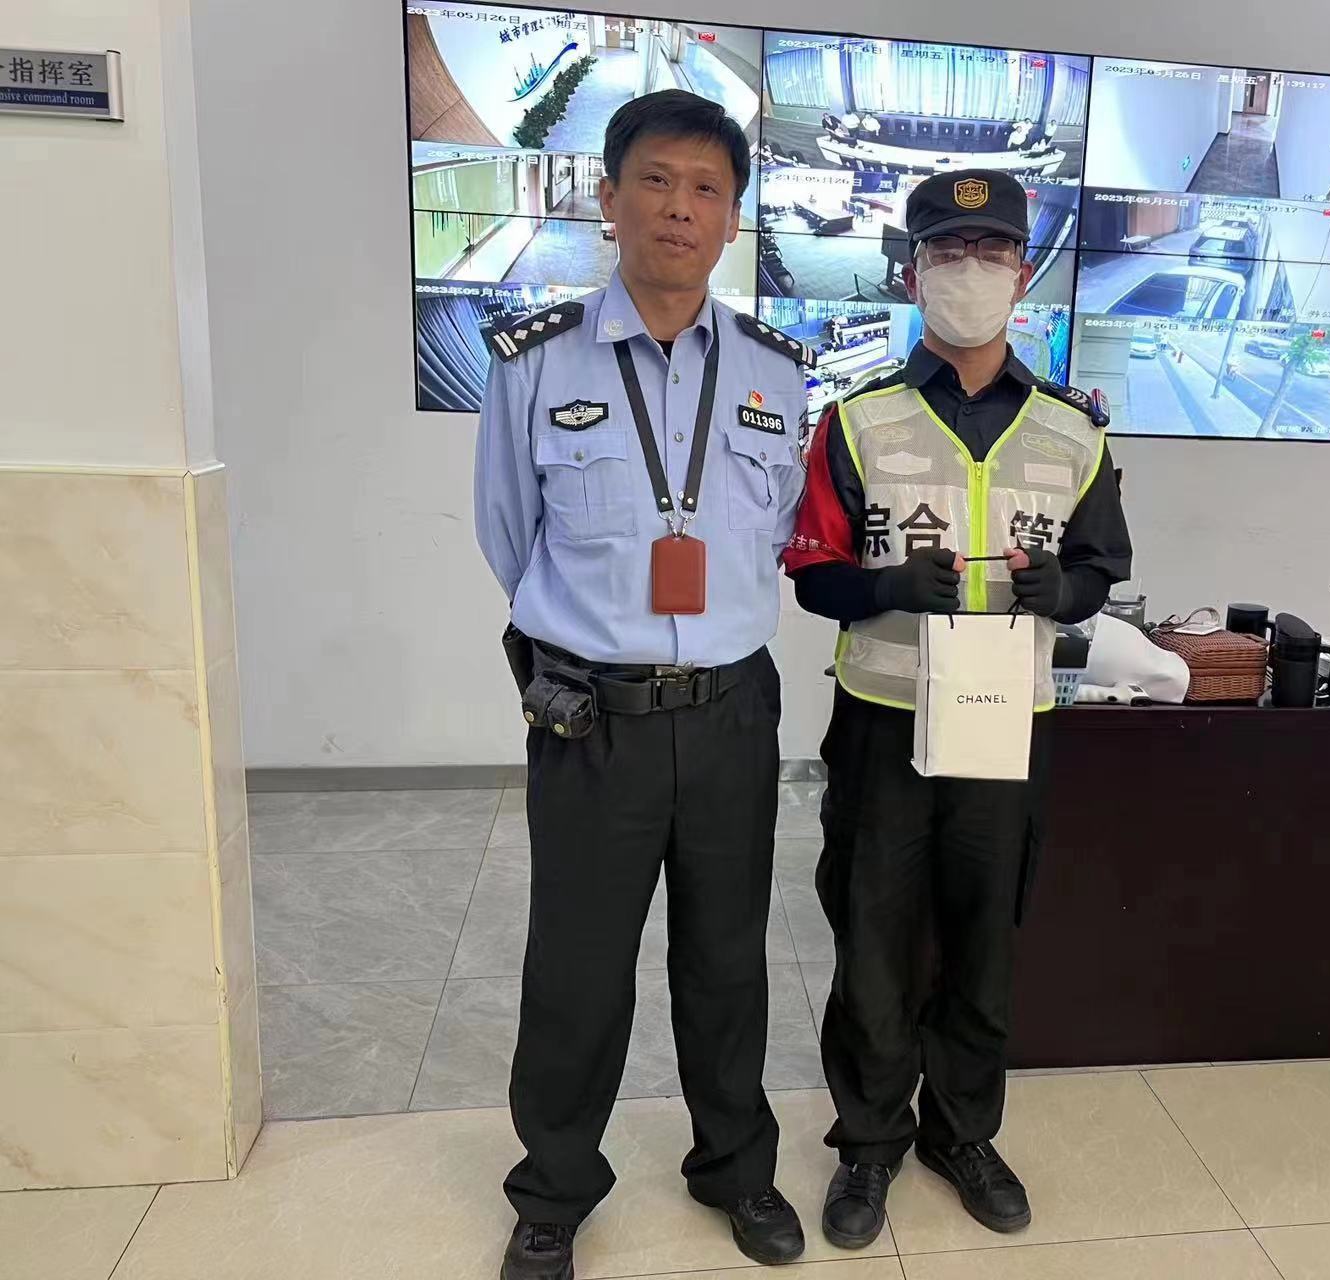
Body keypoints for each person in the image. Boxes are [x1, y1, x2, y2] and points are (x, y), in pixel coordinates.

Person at [475, 89, 817, 1280]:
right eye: (658, 181)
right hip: (595, 718)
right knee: (576, 965)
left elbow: (777, 534)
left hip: (731, 712)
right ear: (609, 198)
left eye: (707, 189)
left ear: (731, 219)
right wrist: (595, 634)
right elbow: (509, 534)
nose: (681, 207)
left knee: (728, 958)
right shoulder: (535, 360)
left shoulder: (776, 372)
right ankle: (554, 1189)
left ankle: (736, 1166)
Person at [782, 169, 1132, 1248]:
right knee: (874, 938)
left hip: (1003, 723)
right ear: (912, 271)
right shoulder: (855, 421)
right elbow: (812, 574)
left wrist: (1062, 592)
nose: (968, 271)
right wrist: (884, 586)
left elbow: (1100, 567)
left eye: (990, 252)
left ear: (1022, 274)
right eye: (946, 251)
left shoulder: (1072, 431)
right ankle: (869, 1142)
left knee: (984, 939)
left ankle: (962, 1133)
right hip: (884, 720)